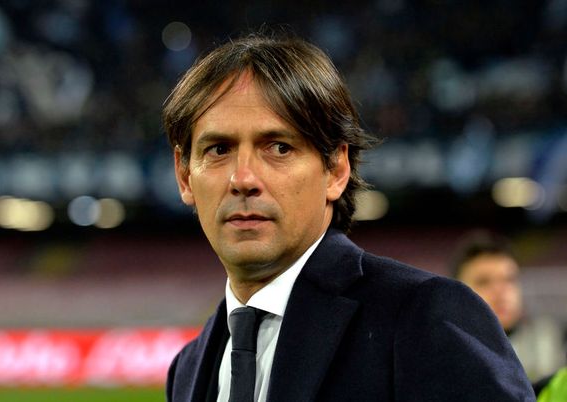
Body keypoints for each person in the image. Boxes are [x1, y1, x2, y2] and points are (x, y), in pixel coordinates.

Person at [163, 32, 534, 401]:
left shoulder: (423, 318)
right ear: (184, 176)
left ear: (336, 170)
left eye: (279, 147)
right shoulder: (188, 369)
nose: (243, 179)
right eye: (218, 149)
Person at [450, 231, 567, 386]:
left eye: (509, 279)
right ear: (457, 294)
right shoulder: (443, 357)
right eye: (483, 281)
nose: (501, 291)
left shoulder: (555, 340)